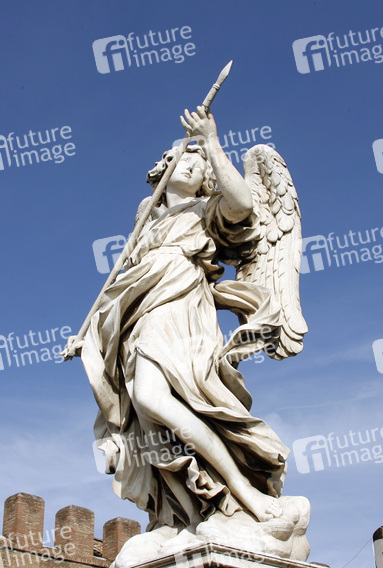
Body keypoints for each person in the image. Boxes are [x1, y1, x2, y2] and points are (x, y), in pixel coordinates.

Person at [68, 106, 289, 533]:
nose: (192, 164)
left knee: (154, 398)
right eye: (184, 157)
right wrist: (93, 336)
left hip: (180, 306)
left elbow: (242, 204)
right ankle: (184, 514)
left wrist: (211, 142)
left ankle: (243, 491)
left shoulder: (205, 210)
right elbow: (122, 286)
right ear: (163, 169)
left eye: (199, 163)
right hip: (136, 315)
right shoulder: (146, 219)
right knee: (149, 417)